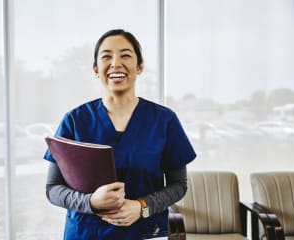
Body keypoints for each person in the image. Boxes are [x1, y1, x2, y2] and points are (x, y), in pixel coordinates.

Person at [44, 29, 196, 240]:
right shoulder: (74, 121)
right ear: (96, 69)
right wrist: (90, 203)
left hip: (144, 232)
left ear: (139, 66)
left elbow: (178, 185)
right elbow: (53, 189)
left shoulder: (164, 120)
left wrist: (142, 206)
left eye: (125, 55)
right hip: (86, 233)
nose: (115, 63)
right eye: (106, 56)